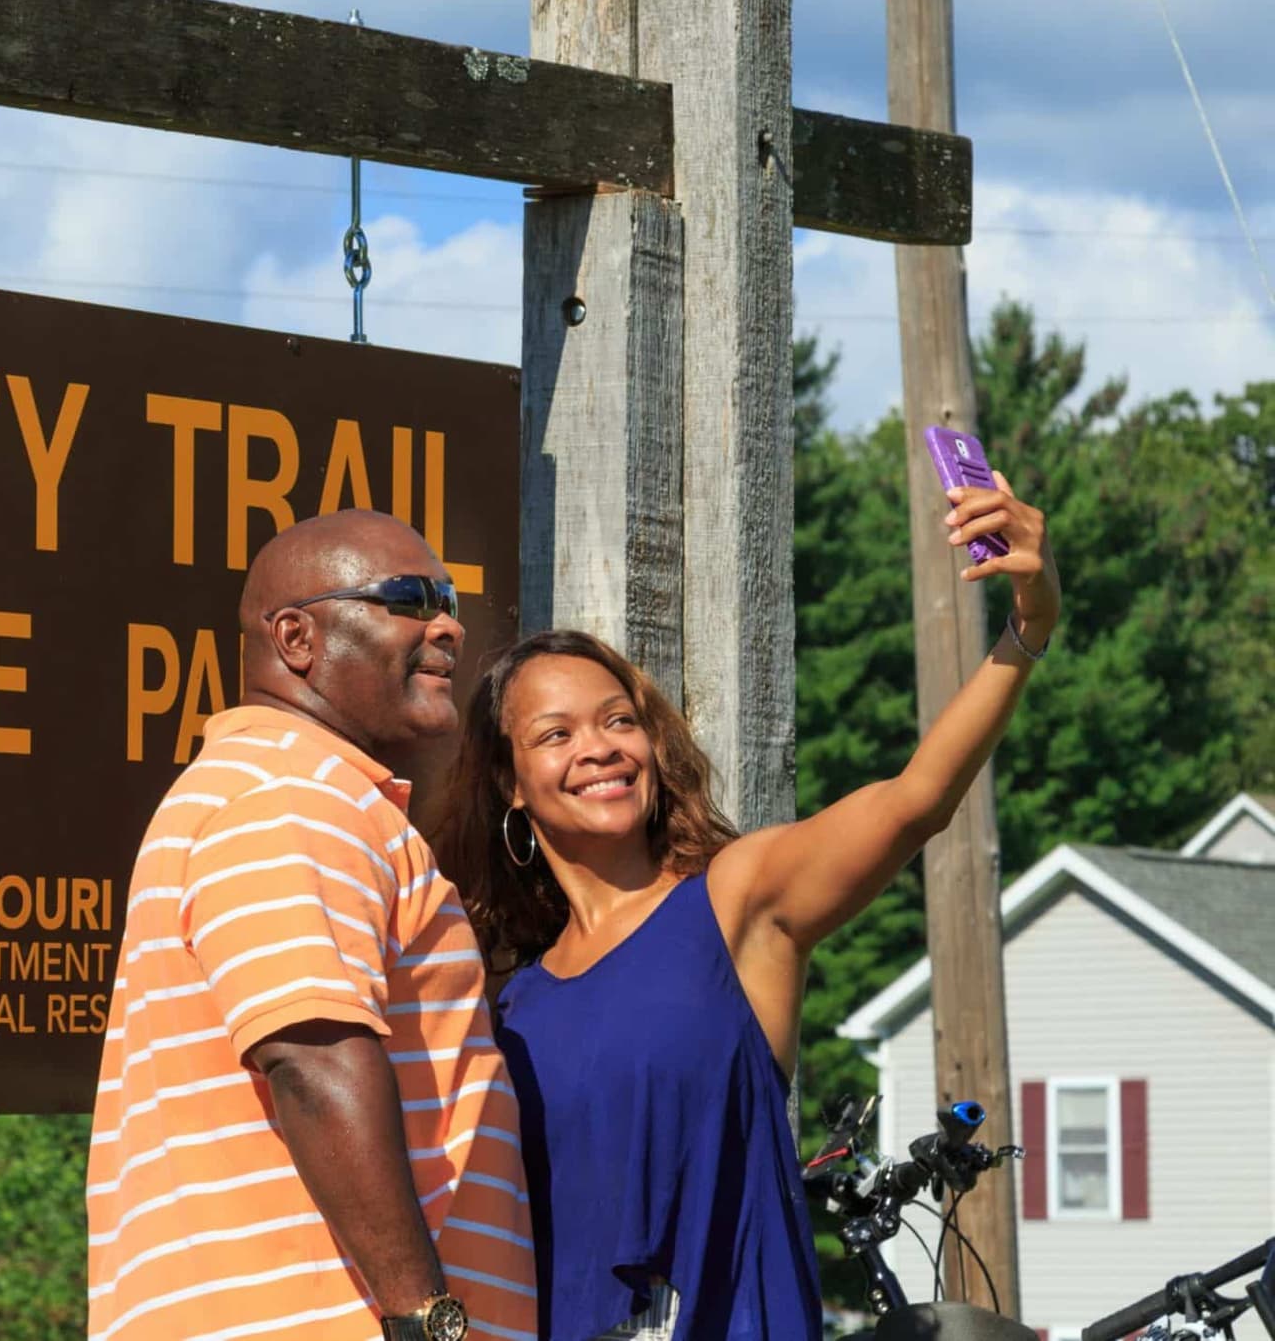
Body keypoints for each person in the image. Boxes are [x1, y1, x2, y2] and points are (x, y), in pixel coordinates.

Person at [436, 474, 1061, 1341]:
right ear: (511, 785)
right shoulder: (510, 1005)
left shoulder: (735, 902)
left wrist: (1029, 624)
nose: (600, 749)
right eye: (557, 734)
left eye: (618, 720)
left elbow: (919, 798)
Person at [87, 509, 537, 1341]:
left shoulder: (298, 795)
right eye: (409, 598)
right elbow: (313, 1060)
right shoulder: (291, 798)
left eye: (447, 597)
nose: (447, 624)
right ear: (296, 637)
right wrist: (425, 1322)